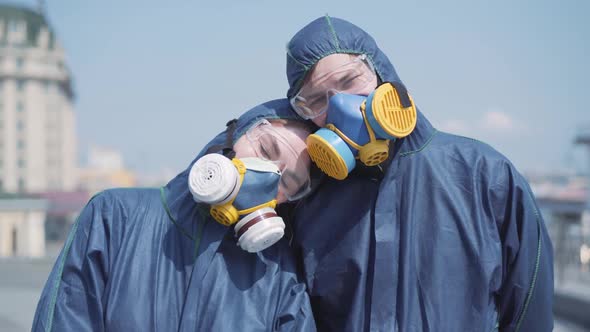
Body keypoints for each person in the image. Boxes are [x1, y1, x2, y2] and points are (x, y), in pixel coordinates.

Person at [285, 16, 554, 331]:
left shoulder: (485, 175)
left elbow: (529, 311)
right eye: (317, 100)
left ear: (382, 74)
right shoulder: (308, 202)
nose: (341, 107)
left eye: (348, 82)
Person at [32, 99, 317, 331]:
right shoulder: (114, 217)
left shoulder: (278, 273)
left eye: (286, 181)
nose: (265, 176)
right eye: (266, 149)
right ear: (238, 132)